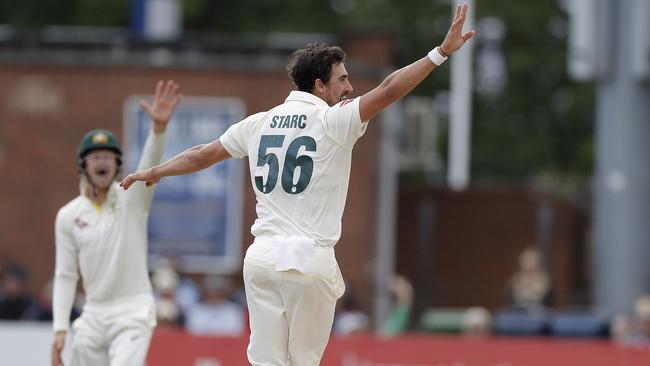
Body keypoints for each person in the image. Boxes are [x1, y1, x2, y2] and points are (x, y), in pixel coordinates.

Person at [120, 4, 474, 365]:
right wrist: (440, 53)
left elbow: (200, 154)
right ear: (319, 85)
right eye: (342, 80)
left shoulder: (258, 122)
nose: (349, 87)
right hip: (307, 259)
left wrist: (154, 171)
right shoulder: (334, 120)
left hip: (261, 259)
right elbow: (386, 90)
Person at [51, 80, 182, 366]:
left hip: (132, 310)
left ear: (116, 165)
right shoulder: (69, 215)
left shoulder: (131, 199)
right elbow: (65, 275)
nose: (102, 162)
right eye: (95, 157)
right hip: (94, 313)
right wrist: (60, 327)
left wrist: (158, 130)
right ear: (84, 165)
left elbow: (150, 163)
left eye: (108, 157)